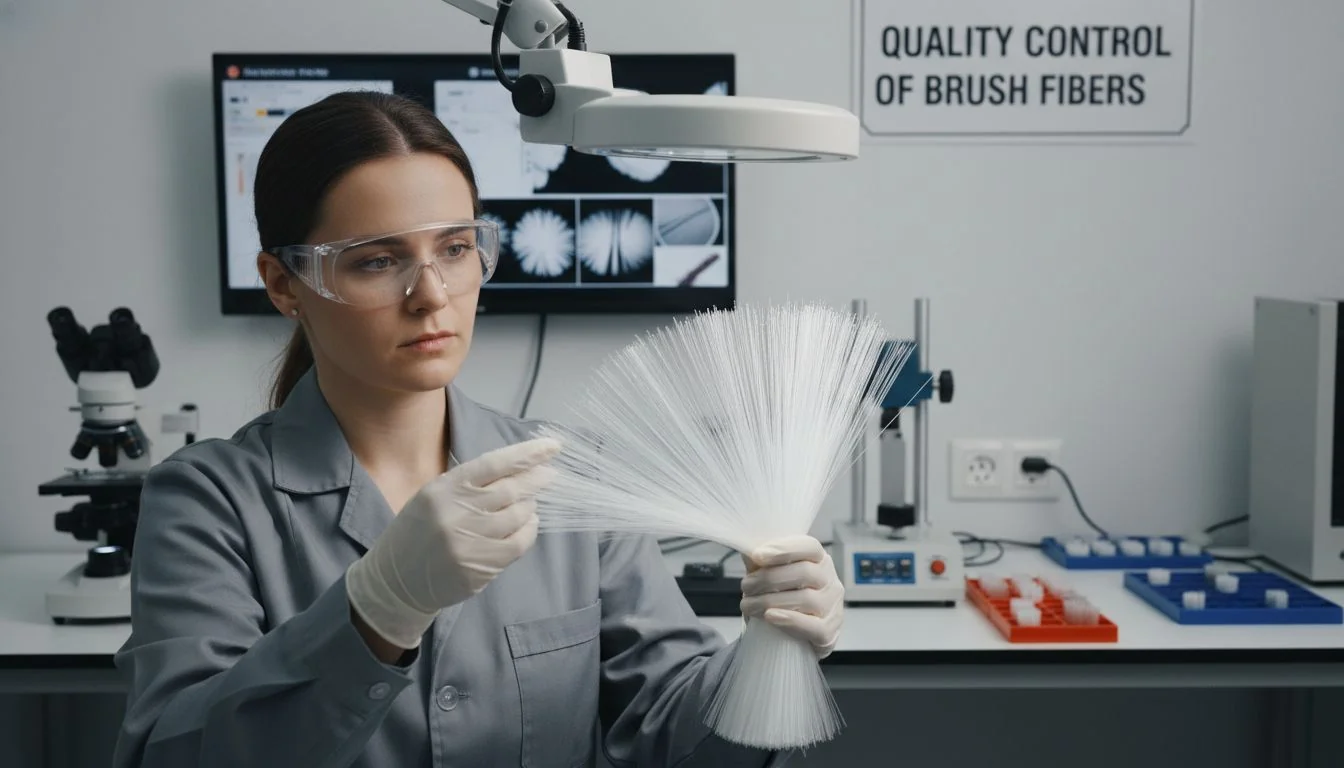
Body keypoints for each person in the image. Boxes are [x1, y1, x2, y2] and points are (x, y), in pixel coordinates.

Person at [111, 90, 845, 768]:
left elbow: (664, 734)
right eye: (376, 261)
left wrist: (768, 660)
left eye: (456, 250)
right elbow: (174, 754)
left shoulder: (574, 480)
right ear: (283, 283)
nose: (431, 295)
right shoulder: (207, 501)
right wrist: (375, 611)